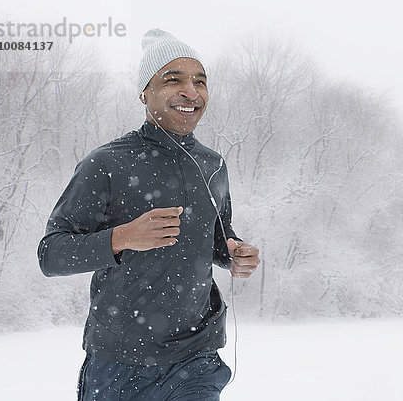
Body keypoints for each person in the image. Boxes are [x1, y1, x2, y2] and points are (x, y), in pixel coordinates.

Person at [38, 28, 260, 400]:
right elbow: (51, 254)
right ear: (145, 92)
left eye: (200, 81)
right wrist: (122, 237)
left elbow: (218, 237)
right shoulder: (107, 162)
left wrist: (234, 252)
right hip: (121, 362)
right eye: (173, 80)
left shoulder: (213, 165)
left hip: (197, 359)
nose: (191, 92)